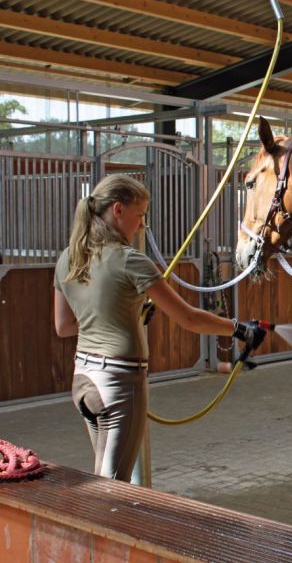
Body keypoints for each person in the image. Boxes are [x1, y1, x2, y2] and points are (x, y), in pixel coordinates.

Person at [54, 174, 268, 482]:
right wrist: (239, 329)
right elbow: (189, 318)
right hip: (117, 382)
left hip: (83, 380)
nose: (141, 225)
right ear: (117, 210)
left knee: (101, 475)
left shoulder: (68, 258)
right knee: (112, 488)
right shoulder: (130, 260)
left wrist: (124, 312)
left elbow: (64, 326)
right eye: (139, 216)